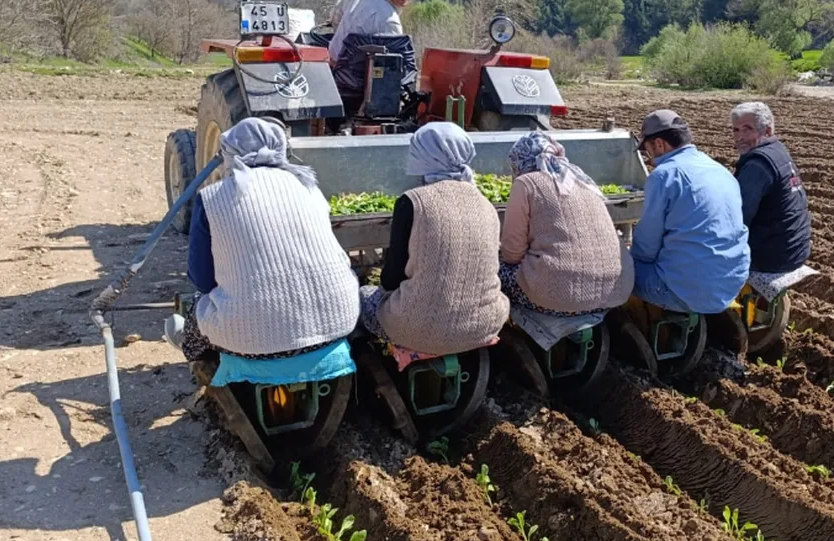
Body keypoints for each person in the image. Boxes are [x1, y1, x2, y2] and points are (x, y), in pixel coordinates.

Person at [167, 118, 360, 383]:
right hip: (339, 323)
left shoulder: (211, 197)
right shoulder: (311, 188)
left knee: (200, 306)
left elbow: (202, 279)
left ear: (229, 153)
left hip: (253, 343)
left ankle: (191, 348)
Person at [359, 122, 509, 357]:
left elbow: (390, 280)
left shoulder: (413, 202)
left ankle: (383, 357)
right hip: (485, 325)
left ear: (422, 156)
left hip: (415, 329)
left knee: (364, 296)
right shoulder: (485, 203)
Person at [499, 131, 634, 316]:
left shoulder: (526, 183)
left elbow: (512, 254)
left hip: (559, 298)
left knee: (499, 270)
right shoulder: (581, 178)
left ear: (518, 160)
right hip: (616, 291)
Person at [630, 110, 750, 313]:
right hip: (731, 283)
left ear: (659, 144)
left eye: (648, 150)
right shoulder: (719, 169)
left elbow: (646, 247)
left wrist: (625, 253)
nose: (649, 157)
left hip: (687, 291)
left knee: (620, 272)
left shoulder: (664, 176)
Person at [730, 102, 811, 274]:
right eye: (736, 130)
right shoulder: (777, 150)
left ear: (767, 131)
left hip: (773, 256)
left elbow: (738, 217)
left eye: (747, 129)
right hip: (795, 247)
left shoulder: (757, 166)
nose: (740, 137)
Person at [328, 0, 421, 64]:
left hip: (332, 66)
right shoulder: (389, 21)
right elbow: (395, 64)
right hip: (358, 77)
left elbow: (336, 13)